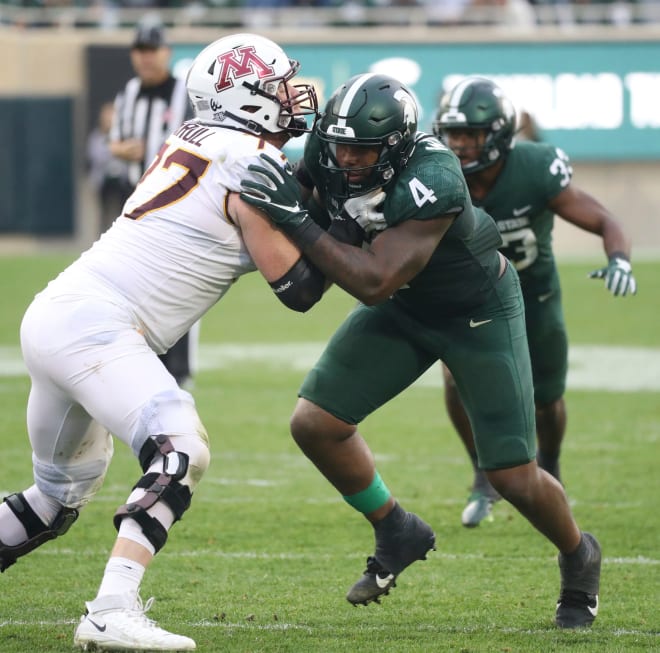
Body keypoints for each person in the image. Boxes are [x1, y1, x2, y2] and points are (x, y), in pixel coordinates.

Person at [239, 72, 602, 629]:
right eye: (341, 146)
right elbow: (317, 250)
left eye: (363, 150)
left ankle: (579, 555)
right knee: (315, 423)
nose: (348, 160)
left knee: (511, 474)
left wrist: (290, 217)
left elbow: (374, 279)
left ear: (398, 146)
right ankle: (394, 527)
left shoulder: (436, 175)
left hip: (474, 310)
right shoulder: (328, 148)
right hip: (407, 307)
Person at [0, 33, 321, 652]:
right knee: (181, 450)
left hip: (60, 315)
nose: (291, 93)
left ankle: (109, 603)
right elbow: (298, 286)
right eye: (278, 82)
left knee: (57, 498)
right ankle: (112, 607)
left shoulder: (204, 139)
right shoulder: (249, 159)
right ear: (247, 95)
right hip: (97, 326)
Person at [432, 76, 637, 527]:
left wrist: (619, 259)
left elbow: (602, 217)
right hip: (470, 300)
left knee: (546, 400)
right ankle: (483, 474)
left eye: (471, 134)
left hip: (534, 294)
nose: (460, 144)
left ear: (500, 135)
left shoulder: (534, 167)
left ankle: (551, 465)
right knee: (454, 383)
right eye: (454, 133)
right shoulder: (437, 171)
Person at [109, 21, 197, 389]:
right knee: (134, 286)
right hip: (134, 202)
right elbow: (115, 142)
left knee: (181, 286)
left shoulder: (183, 94)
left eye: (153, 50)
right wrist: (121, 149)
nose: (147, 57)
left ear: (167, 52)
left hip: (175, 204)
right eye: (141, 51)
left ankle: (181, 367)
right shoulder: (127, 93)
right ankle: (146, 360)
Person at [86, 101, 127, 235]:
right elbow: (96, 156)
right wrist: (116, 151)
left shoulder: (124, 134)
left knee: (122, 213)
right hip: (103, 182)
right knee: (104, 215)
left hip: (121, 182)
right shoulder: (97, 136)